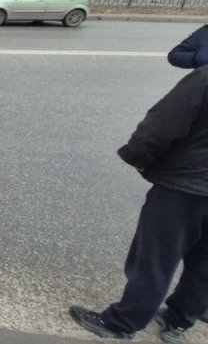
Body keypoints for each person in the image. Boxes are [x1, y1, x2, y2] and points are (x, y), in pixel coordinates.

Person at [68, 66, 208, 342]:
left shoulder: (204, 78)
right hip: (194, 182)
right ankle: (178, 320)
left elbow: (163, 123)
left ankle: (121, 322)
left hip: (187, 186)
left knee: (156, 258)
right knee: (205, 263)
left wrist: (138, 157)